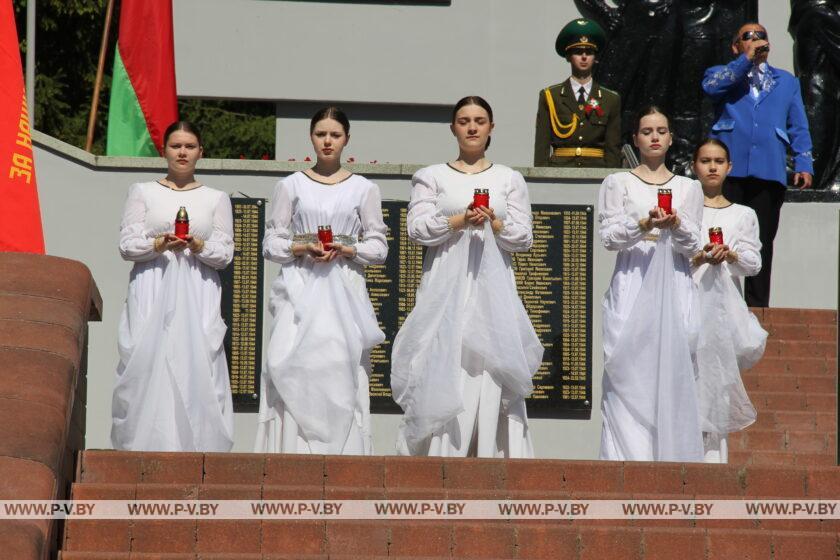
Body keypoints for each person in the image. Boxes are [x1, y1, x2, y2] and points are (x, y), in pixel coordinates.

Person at [392, 96, 543, 458]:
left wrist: (494, 222)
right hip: (447, 286)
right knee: (446, 354)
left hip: (491, 287)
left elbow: (524, 236)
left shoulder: (509, 178)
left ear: (491, 128)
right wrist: (460, 219)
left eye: (479, 120)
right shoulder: (432, 176)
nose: (472, 127)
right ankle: (440, 450)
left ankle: (489, 449)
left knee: (490, 362)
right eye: (464, 121)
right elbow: (417, 229)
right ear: (453, 128)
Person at [254, 107, 387, 455]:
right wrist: (303, 247)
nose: (327, 141)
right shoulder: (291, 185)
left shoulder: (364, 188)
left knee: (339, 365)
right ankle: (293, 451)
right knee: (293, 361)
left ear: (346, 139)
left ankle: (344, 453)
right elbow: (272, 242)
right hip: (300, 285)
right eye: (321, 134)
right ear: (311, 137)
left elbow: (379, 246)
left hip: (343, 289)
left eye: (335, 135)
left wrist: (347, 248)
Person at [111, 121, 235, 452]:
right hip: (153, 284)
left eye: (190, 146)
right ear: (164, 150)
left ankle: (198, 448)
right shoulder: (142, 191)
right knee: (150, 359)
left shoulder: (215, 198)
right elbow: (127, 244)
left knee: (197, 364)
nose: (182, 152)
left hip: (197, 288)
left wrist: (197, 246)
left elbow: (224, 253)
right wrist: (157, 244)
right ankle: (142, 447)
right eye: (176, 145)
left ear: (200, 152)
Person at [598, 106, 705, 462]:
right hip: (633, 277)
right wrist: (644, 224)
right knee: (626, 367)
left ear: (671, 138)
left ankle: (670, 459)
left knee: (672, 369)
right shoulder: (618, 183)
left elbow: (693, 246)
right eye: (647, 131)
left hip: (672, 279)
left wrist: (675, 225)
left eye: (661, 130)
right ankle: (626, 460)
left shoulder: (688, 187)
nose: (655, 137)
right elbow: (610, 237)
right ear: (636, 139)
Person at [702, 22, 814, 307]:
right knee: (723, 235)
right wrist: (745, 61)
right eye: (748, 37)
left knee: (761, 240)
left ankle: (757, 308)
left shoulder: (786, 81)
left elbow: (798, 125)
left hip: (768, 169)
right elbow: (711, 88)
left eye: (761, 35)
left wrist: (804, 162)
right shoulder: (722, 73)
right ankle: (720, 302)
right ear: (736, 46)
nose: (756, 40)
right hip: (730, 169)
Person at [690, 138, 765, 463]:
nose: (712, 167)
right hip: (688, 303)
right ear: (694, 166)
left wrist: (729, 253)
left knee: (716, 387)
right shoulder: (684, 211)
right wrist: (699, 256)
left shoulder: (743, 214)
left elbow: (752, 263)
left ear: (729, 167)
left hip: (722, 310)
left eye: (719, 161)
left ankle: (712, 462)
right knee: (687, 382)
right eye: (705, 160)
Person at [533, 18, 621, 168]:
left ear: (596, 58)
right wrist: (542, 180)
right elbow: (542, 146)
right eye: (578, 52)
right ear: (568, 56)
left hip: (596, 172)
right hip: (559, 172)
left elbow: (613, 149)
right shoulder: (550, 96)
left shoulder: (610, 99)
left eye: (589, 52)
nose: (584, 56)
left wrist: (612, 180)